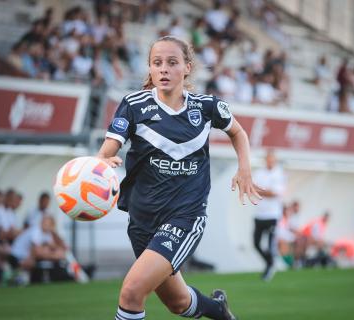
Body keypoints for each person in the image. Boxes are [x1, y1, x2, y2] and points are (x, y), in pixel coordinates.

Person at [97, 35, 261, 320]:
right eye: (157, 63)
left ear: (187, 67)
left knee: (132, 292)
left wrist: (244, 167)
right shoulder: (133, 105)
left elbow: (237, 132)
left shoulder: (206, 107)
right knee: (179, 302)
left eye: (172, 63)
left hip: (184, 217)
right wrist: (102, 163)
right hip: (141, 220)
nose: (164, 69)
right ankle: (218, 310)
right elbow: (106, 151)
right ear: (149, 68)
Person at [252, 149, 286, 281]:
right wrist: (264, 191)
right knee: (256, 243)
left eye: (272, 159)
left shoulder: (279, 173)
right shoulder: (259, 173)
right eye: (268, 159)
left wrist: (261, 191)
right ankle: (270, 263)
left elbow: (275, 193)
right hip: (259, 214)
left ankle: (270, 268)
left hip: (272, 215)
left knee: (270, 244)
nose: (270, 161)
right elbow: (253, 187)